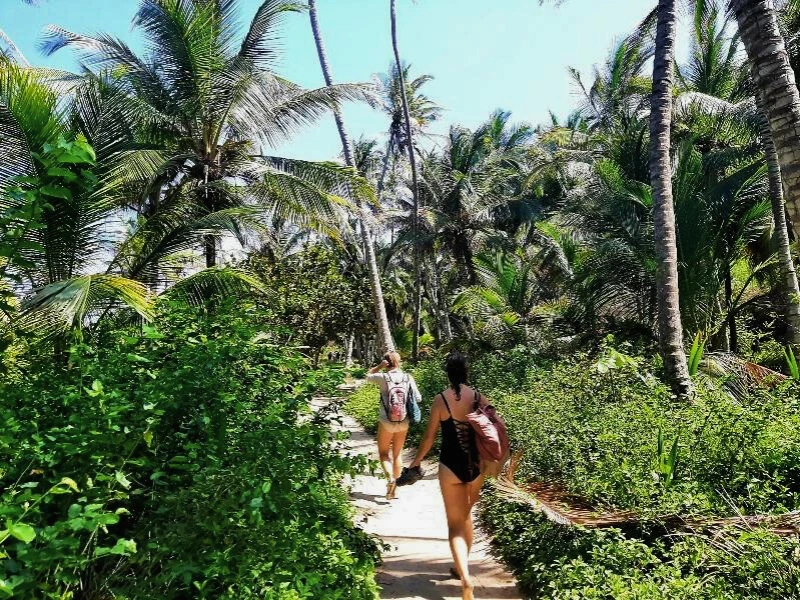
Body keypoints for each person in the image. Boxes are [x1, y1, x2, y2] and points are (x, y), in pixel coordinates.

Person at [404, 352, 483, 600]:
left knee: (455, 525)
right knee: (467, 516)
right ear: (467, 371)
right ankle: (462, 569)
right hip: (476, 466)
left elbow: (428, 438)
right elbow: (495, 427)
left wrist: (415, 463)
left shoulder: (441, 400)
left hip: (450, 465)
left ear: (447, 373)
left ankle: (466, 579)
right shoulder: (478, 397)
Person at [366, 351, 421, 500]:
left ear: (386, 362)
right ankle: (394, 489)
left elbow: (367, 376)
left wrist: (379, 366)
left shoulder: (382, 377)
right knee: (397, 454)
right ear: (399, 362)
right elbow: (418, 398)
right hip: (403, 421)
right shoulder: (407, 377)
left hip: (386, 421)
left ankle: (390, 478)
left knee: (384, 453)